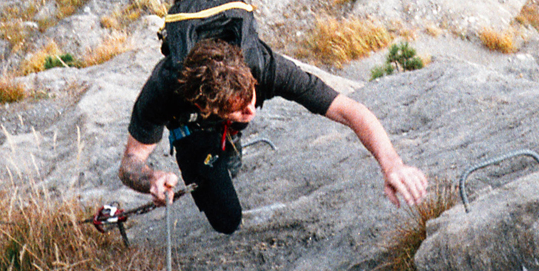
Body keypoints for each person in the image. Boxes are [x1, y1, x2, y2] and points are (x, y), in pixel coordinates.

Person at [119, 36, 428, 234]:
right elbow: (130, 163)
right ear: (202, 104)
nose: (252, 112)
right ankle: (216, 144)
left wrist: (392, 164)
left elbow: (348, 110)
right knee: (227, 221)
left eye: (253, 98)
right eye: (239, 110)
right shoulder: (164, 89)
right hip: (194, 129)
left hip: (222, 109)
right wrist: (151, 180)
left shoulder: (266, 66)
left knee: (230, 143)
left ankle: (229, 140)